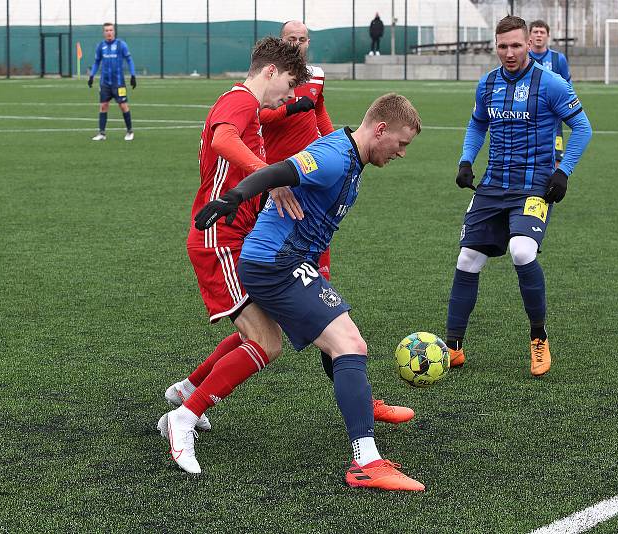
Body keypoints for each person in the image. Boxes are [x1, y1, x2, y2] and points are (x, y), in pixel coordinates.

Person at [189, 93, 425, 491]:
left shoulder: (353, 157)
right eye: (401, 144)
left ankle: (189, 393)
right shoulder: (336, 155)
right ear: (380, 130)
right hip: (274, 263)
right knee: (349, 343)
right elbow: (279, 171)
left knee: (335, 339)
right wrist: (232, 199)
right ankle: (366, 462)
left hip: (291, 260)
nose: (402, 153)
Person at [156, 36, 311, 473]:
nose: (290, 92)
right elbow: (224, 139)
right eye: (289, 83)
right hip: (217, 238)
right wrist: (269, 176)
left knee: (263, 332)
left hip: (236, 237)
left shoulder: (252, 109)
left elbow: (251, 128)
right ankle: (183, 419)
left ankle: (188, 391)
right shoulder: (240, 101)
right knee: (266, 342)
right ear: (270, 72)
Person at [260, 20, 414, 424]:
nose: (297, 44)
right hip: (286, 193)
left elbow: (321, 114)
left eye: (302, 39)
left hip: (315, 195)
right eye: (290, 39)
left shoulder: (318, 78)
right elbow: (265, 121)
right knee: (260, 328)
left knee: (308, 317)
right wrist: (295, 110)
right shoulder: (272, 87)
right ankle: (191, 399)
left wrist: (346, 149)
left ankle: (361, 397)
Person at [445, 15, 592, 376]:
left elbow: (583, 128)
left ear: (529, 44)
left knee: (522, 251)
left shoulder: (551, 83)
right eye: (502, 46)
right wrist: (466, 160)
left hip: (534, 186)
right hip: (493, 185)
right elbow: (478, 122)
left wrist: (563, 171)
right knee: (467, 260)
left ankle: (539, 338)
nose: (509, 53)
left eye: (516, 45)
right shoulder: (488, 83)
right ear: (496, 46)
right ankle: (453, 346)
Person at [528, 19, 572, 165]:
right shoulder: (523, 58)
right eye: (535, 32)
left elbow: (567, 86)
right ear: (529, 36)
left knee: (556, 158)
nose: (539, 35)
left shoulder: (558, 59)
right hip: (528, 116)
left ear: (548, 36)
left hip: (554, 118)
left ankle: (553, 187)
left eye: (542, 32)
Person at [88, 22, 137, 141]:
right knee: (103, 106)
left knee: (123, 105)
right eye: (106, 30)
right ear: (103, 33)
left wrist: (133, 75)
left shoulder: (121, 45)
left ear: (114, 31)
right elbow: (96, 62)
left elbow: (129, 60)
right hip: (105, 82)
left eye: (110, 30)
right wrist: (91, 76)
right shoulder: (100, 46)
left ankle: (130, 131)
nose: (109, 32)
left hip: (118, 82)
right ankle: (102, 133)